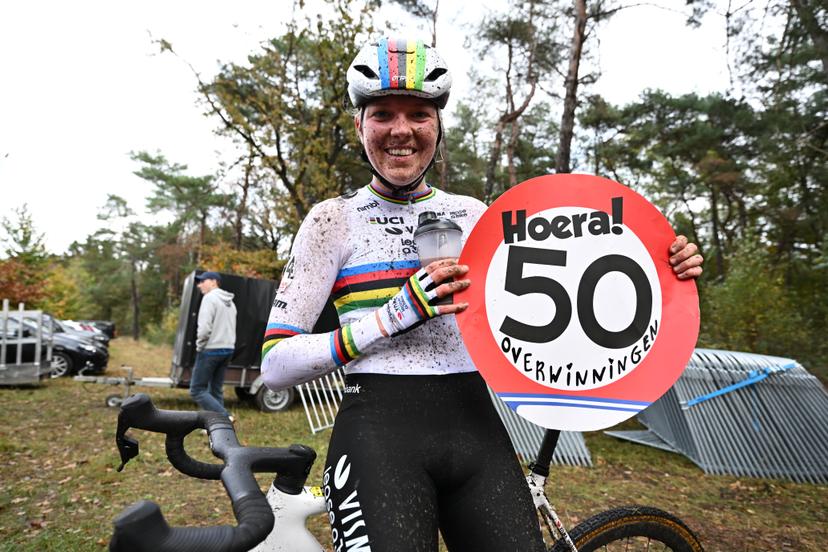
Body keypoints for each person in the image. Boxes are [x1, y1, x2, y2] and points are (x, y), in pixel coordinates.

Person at [261, 37, 703, 552]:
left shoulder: (478, 216)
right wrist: (391, 317)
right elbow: (275, 364)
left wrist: (661, 267)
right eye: (382, 113)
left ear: (438, 125)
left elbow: (581, 284)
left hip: (476, 427)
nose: (401, 130)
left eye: (419, 114)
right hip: (378, 434)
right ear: (360, 125)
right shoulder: (332, 221)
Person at [190, 271, 237, 420]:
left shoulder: (209, 298)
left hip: (210, 350)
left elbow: (204, 328)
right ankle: (219, 427)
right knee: (215, 390)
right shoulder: (230, 302)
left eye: (202, 281)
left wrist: (199, 346)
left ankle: (225, 417)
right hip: (228, 349)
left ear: (213, 282)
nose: (199, 285)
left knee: (197, 390)